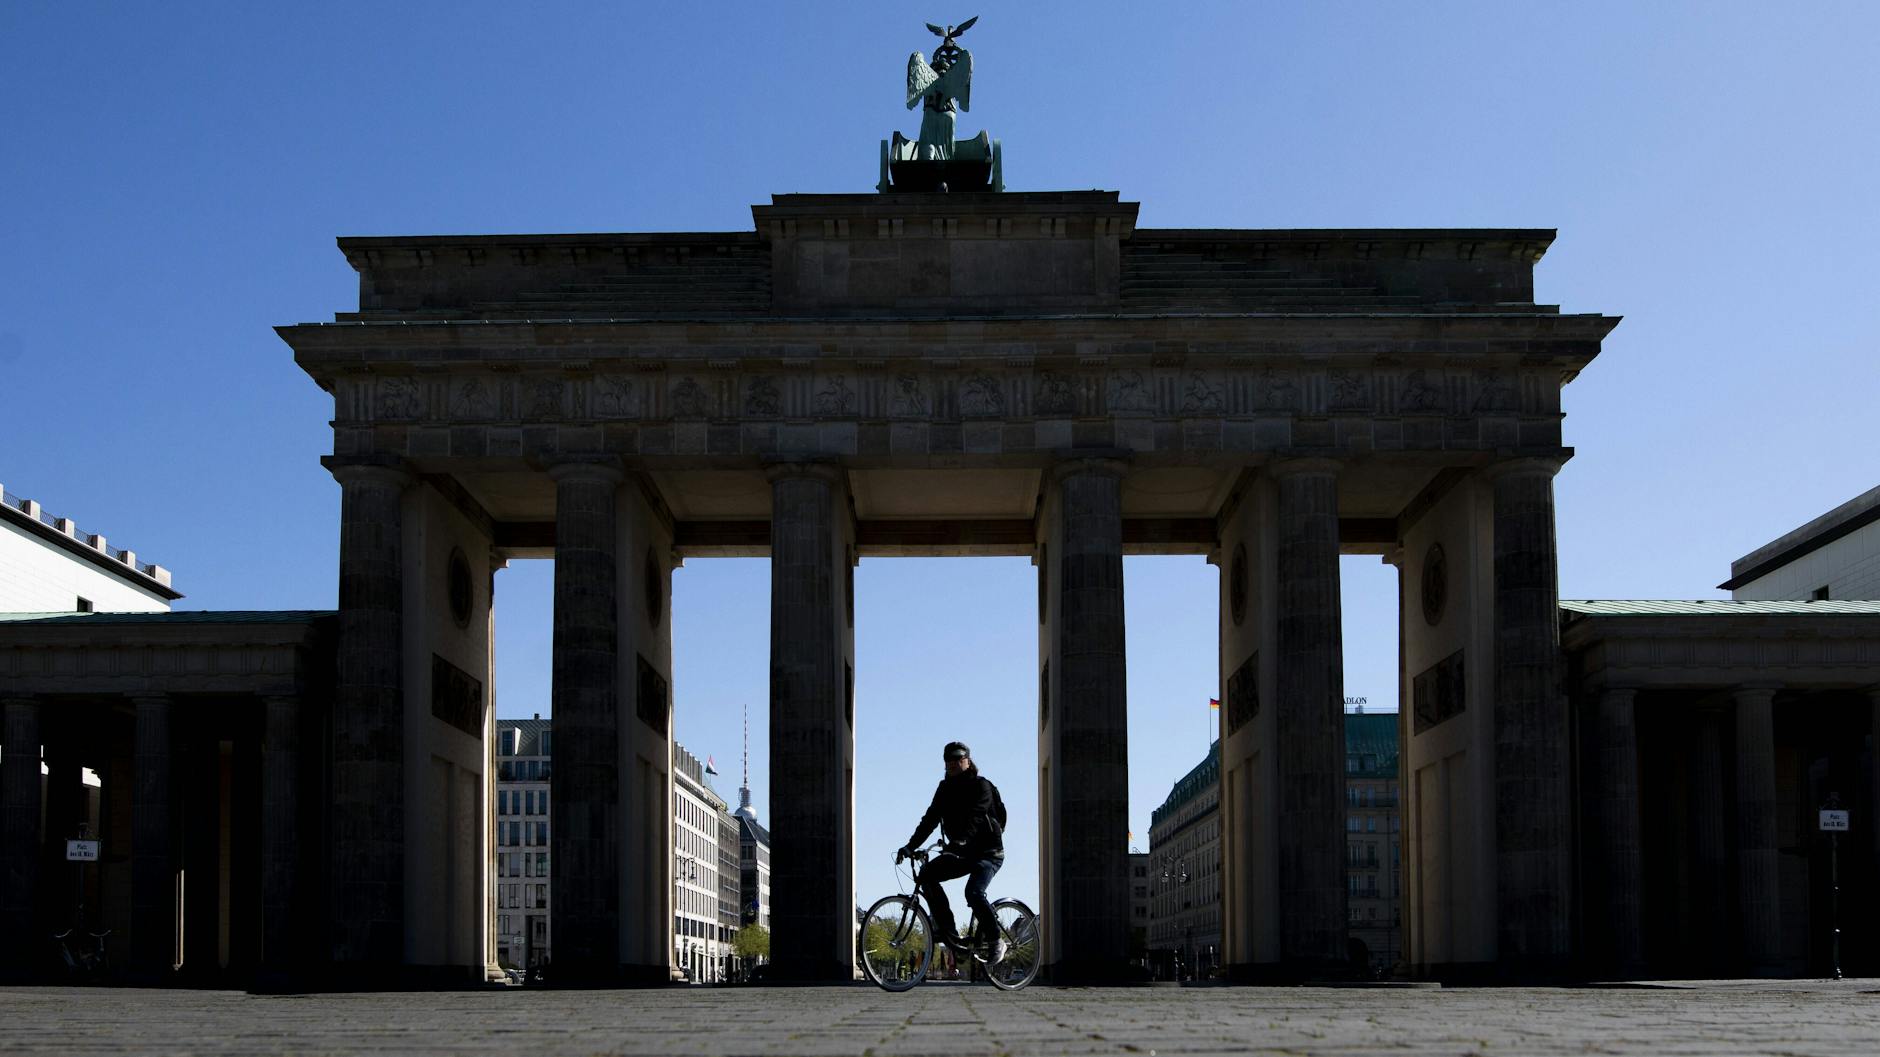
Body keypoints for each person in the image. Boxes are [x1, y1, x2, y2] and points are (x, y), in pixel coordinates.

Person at [898, 741, 1004, 956]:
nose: (953, 763)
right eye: (948, 760)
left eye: (958, 758)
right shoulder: (944, 789)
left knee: (973, 893)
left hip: (988, 853)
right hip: (960, 853)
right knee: (927, 875)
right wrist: (910, 846)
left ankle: (996, 940)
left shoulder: (981, 786)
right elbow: (930, 819)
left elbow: (976, 816)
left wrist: (963, 839)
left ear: (968, 761)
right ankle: (951, 935)